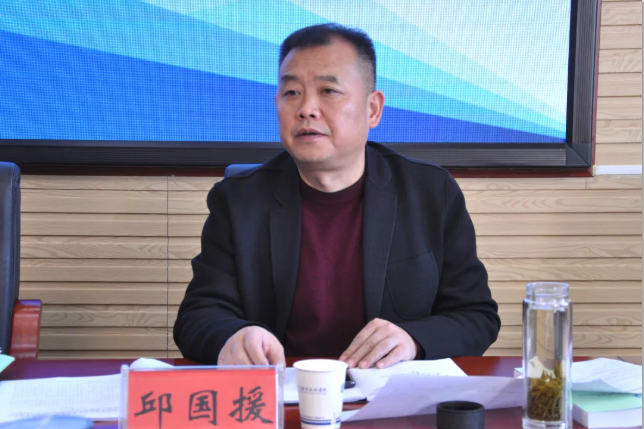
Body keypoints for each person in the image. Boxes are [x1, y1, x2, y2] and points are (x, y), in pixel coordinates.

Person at [173, 23, 500, 369]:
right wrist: (234, 336)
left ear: (373, 109)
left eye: (328, 90)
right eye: (291, 93)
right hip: (285, 389)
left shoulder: (431, 192)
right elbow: (198, 315)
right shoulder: (239, 199)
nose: (306, 109)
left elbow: (476, 316)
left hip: (388, 391)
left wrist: (413, 339)